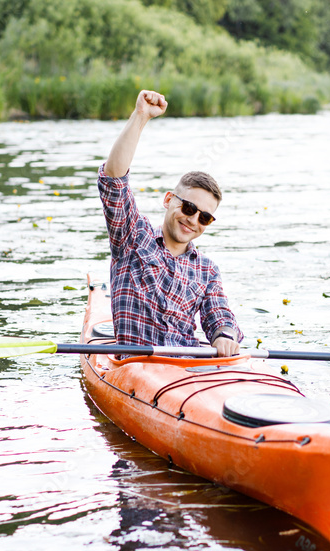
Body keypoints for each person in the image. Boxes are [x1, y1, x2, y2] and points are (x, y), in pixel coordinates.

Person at [98, 89, 243, 357]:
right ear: (168, 200)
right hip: (135, 369)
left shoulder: (207, 271)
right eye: (188, 207)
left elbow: (220, 316)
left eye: (205, 216)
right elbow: (114, 181)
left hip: (185, 371)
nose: (193, 219)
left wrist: (224, 336)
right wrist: (140, 117)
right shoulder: (132, 237)